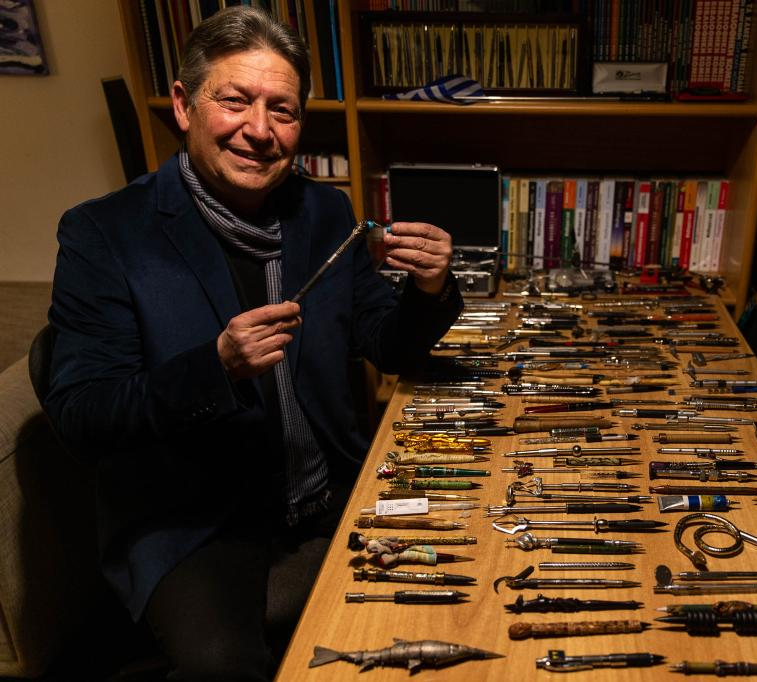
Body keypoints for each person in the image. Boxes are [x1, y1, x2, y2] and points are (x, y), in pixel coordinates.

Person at [44, 6, 462, 680]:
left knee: (455, 587)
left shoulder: (324, 211)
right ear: (184, 105)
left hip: (329, 491)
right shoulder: (106, 234)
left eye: (282, 110)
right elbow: (82, 416)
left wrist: (430, 289)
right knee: (223, 666)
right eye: (234, 101)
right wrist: (216, 368)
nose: (260, 131)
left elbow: (389, 347)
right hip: (195, 520)